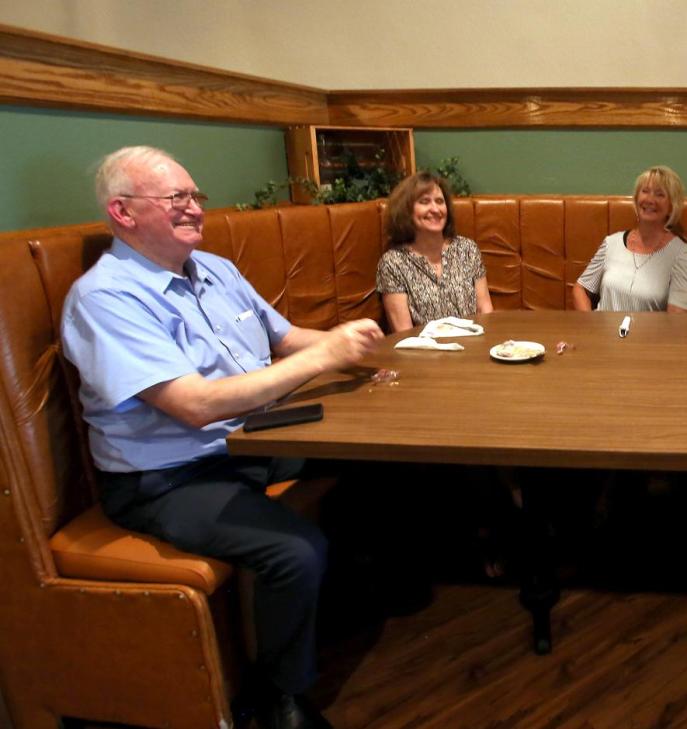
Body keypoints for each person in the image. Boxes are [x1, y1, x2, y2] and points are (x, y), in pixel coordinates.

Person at [61, 146, 384, 729]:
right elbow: (192, 406)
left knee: (374, 460)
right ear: (123, 212)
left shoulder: (217, 270)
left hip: (252, 441)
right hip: (166, 476)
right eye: (175, 199)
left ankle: (350, 603)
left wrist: (372, 349)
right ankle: (278, 696)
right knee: (294, 551)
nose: (193, 209)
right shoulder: (105, 298)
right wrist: (328, 355)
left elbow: (286, 340)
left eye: (195, 197)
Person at [377, 171, 493, 331]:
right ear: (406, 210)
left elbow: (485, 311)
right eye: (424, 202)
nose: (435, 209)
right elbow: (403, 333)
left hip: (474, 347)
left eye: (440, 201)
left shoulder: (467, 249)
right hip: (424, 352)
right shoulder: (393, 263)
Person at [572, 165, 687, 312]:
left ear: (671, 206)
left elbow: (676, 319)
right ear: (637, 198)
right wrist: (591, 327)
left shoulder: (682, 254)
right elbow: (580, 289)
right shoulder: (611, 243)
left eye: (660, 194)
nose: (650, 199)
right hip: (601, 333)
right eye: (645, 191)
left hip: (649, 335)